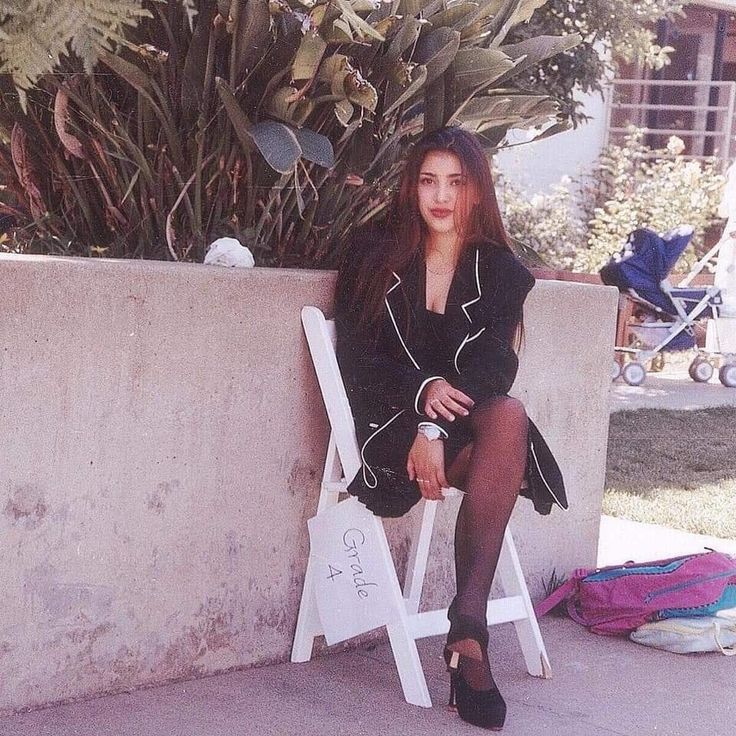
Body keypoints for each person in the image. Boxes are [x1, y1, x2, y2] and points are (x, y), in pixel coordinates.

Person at [334, 126, 567, 731]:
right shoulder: (372, 252)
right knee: (503, 439)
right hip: (387, 425)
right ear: (412, 187)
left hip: (459, 433)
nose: (440, 196)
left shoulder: (502, 272)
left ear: (476, 191)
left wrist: (434, 430)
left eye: (456, 183)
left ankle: (468, 632)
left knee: (508, 414)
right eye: (428, 181)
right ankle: (470, 646)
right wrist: (419, 406)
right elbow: (358, 359)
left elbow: (494, 367)